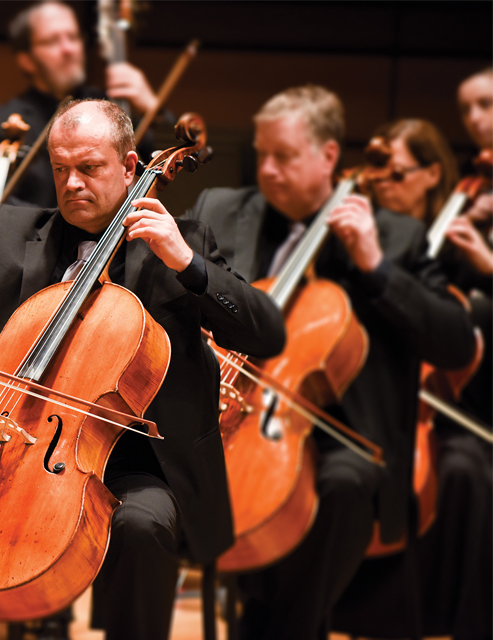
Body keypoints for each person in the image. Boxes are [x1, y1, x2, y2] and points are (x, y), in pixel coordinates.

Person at [0, 98, 285, 640]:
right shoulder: (12, 232)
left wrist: (187, 264)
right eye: (60, 169)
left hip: (136, 463)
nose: (72, 183)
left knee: (140, 528)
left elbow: (265, 330)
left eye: (89, 168)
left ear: (129, 168)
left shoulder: (181, 244)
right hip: (2, 445)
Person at [183, 85, 477, 639]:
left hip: (342, 432)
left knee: (345, 484)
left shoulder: (395, 235)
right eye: (261, 153)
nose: (268, 170)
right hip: (229, 413)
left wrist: (375, 265)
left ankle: (277, 628)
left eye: (285, 156)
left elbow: (455, 343)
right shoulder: (220, 209)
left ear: (329, 157)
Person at [329, 117, 492, 639]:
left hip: (442, 407)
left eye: (393, 173)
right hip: (368, 401)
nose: (378, 182)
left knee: (464, 469)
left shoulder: (454, 249)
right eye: (374, 172)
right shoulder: (353, 234)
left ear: (429, 174)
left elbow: (460, 345)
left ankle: (451, 619)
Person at [0, 1, 170, 208]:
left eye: (74, 37)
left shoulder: (109, 108)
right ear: (27, 60)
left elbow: (167, 162)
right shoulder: (7, 122)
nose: (68, 49)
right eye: (52, 41)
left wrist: (155, 111)